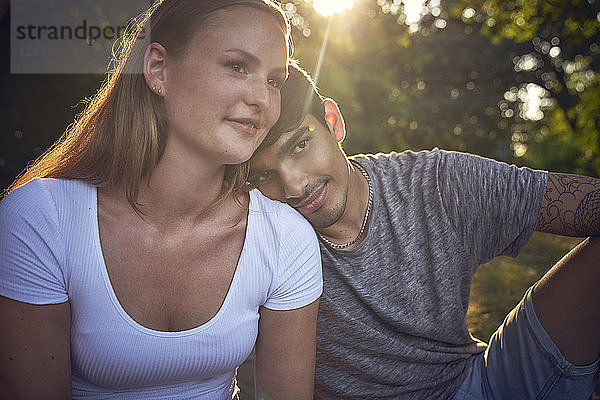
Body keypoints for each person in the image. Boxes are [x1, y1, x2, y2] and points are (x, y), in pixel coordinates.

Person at [0, 2, 323, 399]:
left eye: (275, 80)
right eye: (237, 66)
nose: (263, 99)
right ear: (157, 69)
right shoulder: (40, 218)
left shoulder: (285, 237)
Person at [246, 63, 600, 399]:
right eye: (263, 174)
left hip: (481, 384)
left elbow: (585, 201)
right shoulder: (262, 236)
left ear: (333, 122)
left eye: (300, 145)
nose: (293, 185)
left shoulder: (436, 183)